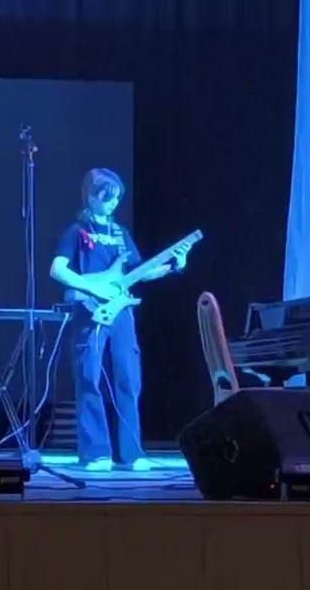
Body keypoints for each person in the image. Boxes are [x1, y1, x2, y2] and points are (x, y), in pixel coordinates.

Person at [50, 168, 189, 472]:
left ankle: (131, 453)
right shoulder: (76, 232)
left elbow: (139, 273)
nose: (113, 203)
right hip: (89, 310)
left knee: (128, 377)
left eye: (116, 198)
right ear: (91, 197)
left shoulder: (120, 234)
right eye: (107, 197)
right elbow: (58, 269)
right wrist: (93, 287)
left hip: (122, 312)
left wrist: (173, 266)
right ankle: (96, 453)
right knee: (90, 377)